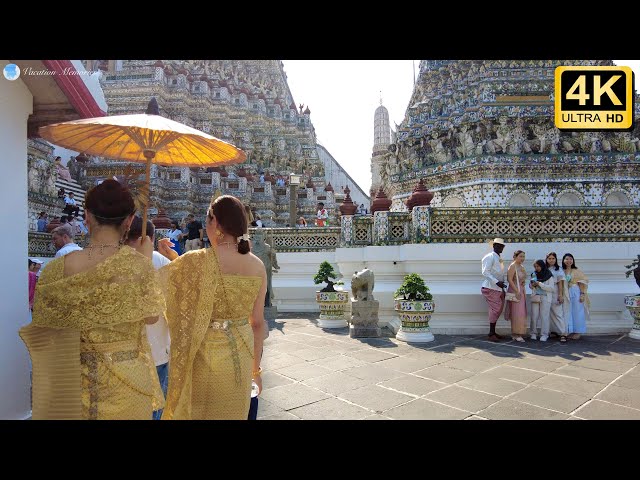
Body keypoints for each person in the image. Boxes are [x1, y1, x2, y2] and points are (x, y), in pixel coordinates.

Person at [19, 179, 165, 419]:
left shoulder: (58, 268)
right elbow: (151, 316)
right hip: (128, 380)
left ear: (86, 216)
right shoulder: (138, 265)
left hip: (75, 380)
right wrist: (143, 262)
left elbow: (46, 331)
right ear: (129, 221)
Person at [158, 194, 266, 420]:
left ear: (215, 223)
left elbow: (165, 290)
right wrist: (255, 371)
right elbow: (257, 324)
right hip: (240, 359)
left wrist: (172, 259)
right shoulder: (257, 266)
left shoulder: (196, 260)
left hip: (202, 356)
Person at [125, 216, 171, 420]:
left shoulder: (111, 259)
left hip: (122, 352)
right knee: (155, 407)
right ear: (150, 238)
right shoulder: (159, 260)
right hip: (158, 348)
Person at [481, 238, 507, 342]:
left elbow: (500, 273)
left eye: (502, 246)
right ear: (494, 246)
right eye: (499, 246)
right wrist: (496, 282)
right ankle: (491, 333)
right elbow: (485, 272)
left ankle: (493, 332)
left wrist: (501, 284)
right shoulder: (489, 257)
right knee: (495, 310)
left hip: (498, 288)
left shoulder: (499, 258)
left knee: (498, 309)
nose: (501, 248)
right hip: (491, 287)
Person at [562, 253, 590, 340]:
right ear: (563, 260)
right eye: (566, 259)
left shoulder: (576, 271)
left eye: (570, 259)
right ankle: (571, 330)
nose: (568, 261)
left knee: (577, 312)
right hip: (566, 292)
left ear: (573, 260)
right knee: (568, 312)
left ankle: (578, 332)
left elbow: (582, 282)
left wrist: (582, 294)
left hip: (575, 292)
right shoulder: (562, 271)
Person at [504, 250, 528, 342]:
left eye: (523, 256)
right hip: (515, 290)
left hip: (521, 290)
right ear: (515, 257)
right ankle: (515, 333)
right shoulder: (512, 266)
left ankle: (518, 332)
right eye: (520, 256)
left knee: (521, 312)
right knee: (516, 312)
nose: (522, 258)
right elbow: (509, 279)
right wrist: (517, 290)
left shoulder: (521, 266)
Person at [529, 260, 555, 342]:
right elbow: (530, 285)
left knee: (544, 316)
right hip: (536, 297)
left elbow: (551, 288)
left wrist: (540, 284)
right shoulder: (534, 274)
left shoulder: (549, 275)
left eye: (538, 266)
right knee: (534, 315)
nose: (536, 268)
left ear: (542, 266)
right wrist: (532, 285)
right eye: (535, 266)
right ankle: (533, 333)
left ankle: (544, 334)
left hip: (545, 297)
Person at [546, 252, 568, 343]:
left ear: (556, 259)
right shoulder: (544, 268)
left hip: (555, 290)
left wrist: (560, 295)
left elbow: (560, 283)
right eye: (549, 258)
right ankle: (551, 331)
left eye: (553, 258)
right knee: (547, 313)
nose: (551, 260)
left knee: (558, 312)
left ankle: (563, 333)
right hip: (545, 291)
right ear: (546, 259)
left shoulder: (558, 269)